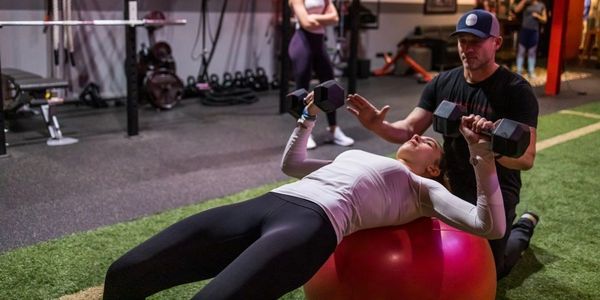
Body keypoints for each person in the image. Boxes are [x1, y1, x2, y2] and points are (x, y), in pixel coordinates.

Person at [103, 97, 506, 299]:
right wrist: (308, 115)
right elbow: (293, 165)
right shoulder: (359, 157)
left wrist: (481, 155)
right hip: (266, 204)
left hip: (310, 227)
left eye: (428, 144)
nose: (416, 135)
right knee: (126, 272)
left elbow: (488, 226)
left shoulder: (423, 190)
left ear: (434, 168)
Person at [346, 9, 539, 280]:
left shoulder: (516, 91)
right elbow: (410, 129)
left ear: (496, 42)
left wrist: (488, 146)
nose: (467, 49)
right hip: (448, 185)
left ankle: (523, 228)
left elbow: (526, 158)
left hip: (496, 190)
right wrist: (378, 125)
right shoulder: (444, 82)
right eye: (463, 41)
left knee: (491, 272)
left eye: (476, 41)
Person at [288, 0, 354, 149]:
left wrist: (314, 18)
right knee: (301, 89)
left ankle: (333, 129)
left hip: (318, 43)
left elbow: (335, 18)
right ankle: (303, 133)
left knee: (330, 88)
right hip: (302, 42)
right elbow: (306, 23)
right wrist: (324, 18)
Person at [512, 0, 547, 79]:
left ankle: (531, 71)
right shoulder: (525, 4)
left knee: (532, 52)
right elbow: (516, 10)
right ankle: (519, 71)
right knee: (521, 51)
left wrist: (538, 16)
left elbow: (545, 19)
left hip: (534, 31)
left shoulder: (541, 5)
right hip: (524, 30)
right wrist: (523, 1)